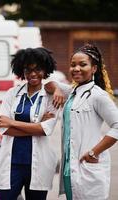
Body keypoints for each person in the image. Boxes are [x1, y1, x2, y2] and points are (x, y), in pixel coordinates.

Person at [0, 47, 60, 200]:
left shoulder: (51, 97)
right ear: (22, 71)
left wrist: (12, 122)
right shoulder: (12, 93)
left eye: (37, 69)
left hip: (38, 165)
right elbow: (2, 127)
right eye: (27, 70)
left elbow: (45, 130)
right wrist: (36, 127)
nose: (32, 74)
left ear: (45, 70)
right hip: (12, 164)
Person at [56, 44, 118, 200]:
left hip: (88, 168)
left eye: (82, 64)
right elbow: (50, 83)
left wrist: (94, 152)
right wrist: (56, 89)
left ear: (94, 68)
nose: (76, 68)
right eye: (73, 65)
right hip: (70, 170)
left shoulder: (98, 95)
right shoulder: (73, 92)